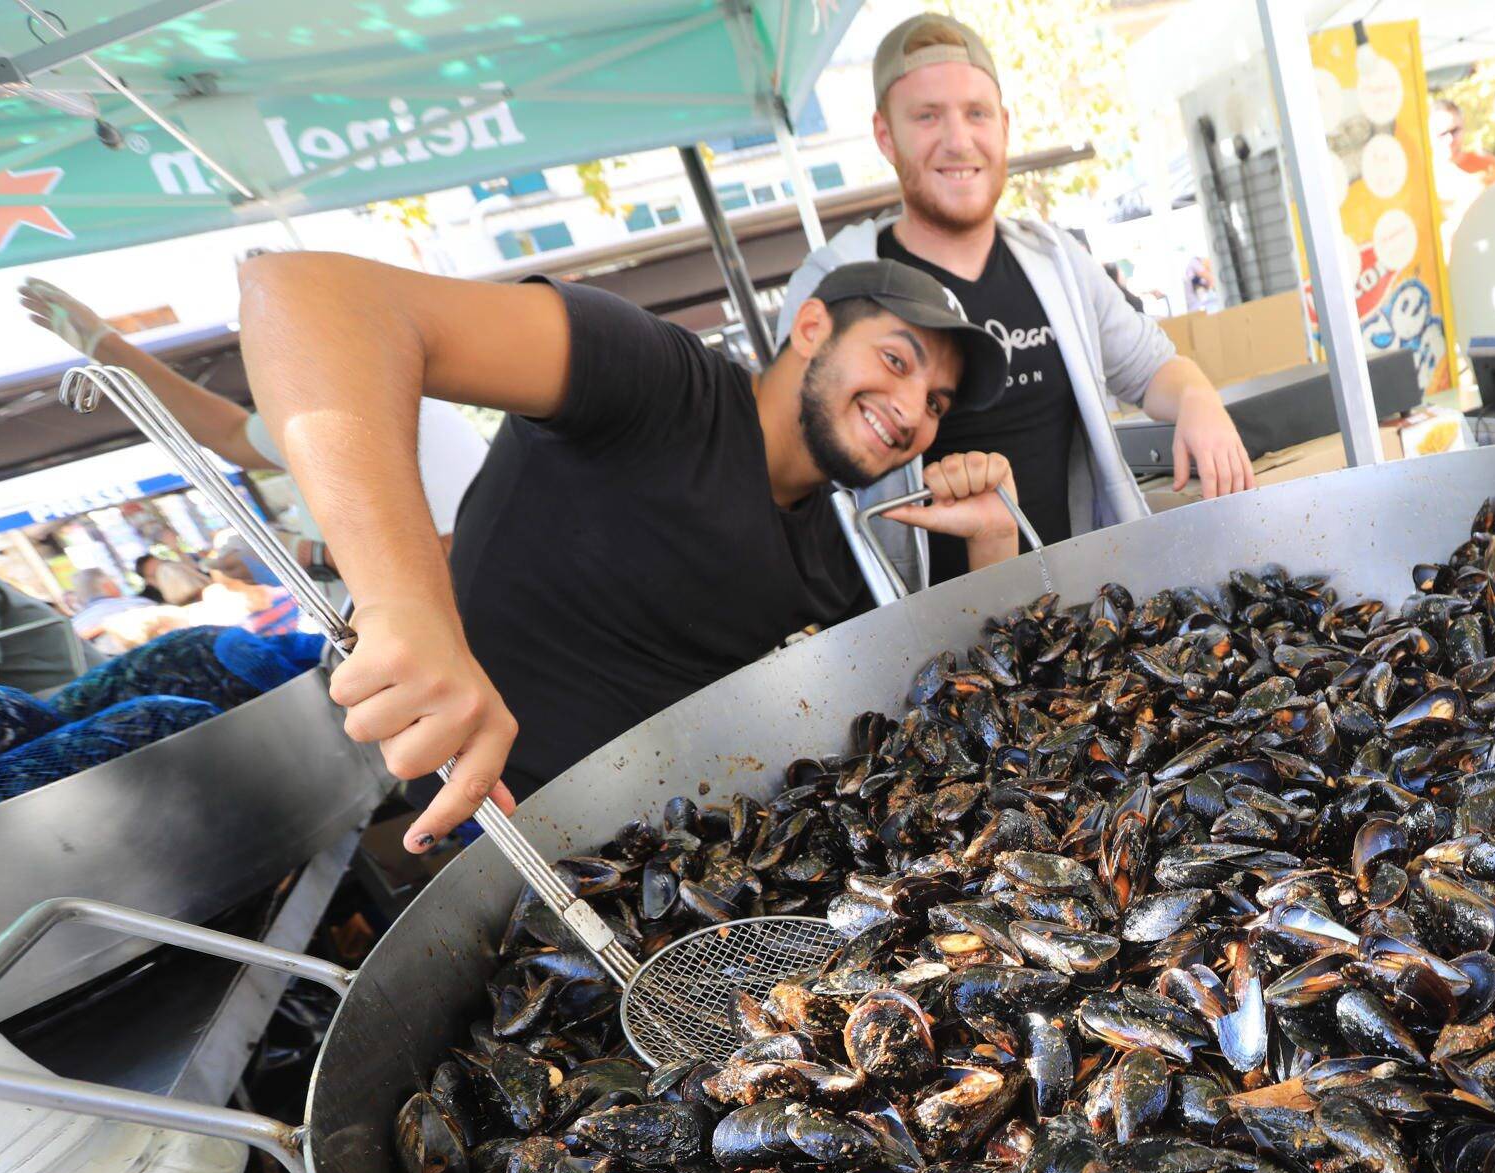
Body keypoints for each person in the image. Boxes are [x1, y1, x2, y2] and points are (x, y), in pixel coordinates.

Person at [237, 250, 1018, 850]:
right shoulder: (662, 382)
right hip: (498, 833)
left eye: (938, 403)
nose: (914, 410)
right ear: (811, 328)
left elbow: (942, 730)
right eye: (896, 359)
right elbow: (308, 295)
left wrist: (995, 540)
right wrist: (405, 606)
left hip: (673, 853)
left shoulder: (842, 546)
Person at [777, 15, 1253, 592]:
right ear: (885, 136)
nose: (958, 140)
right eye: (927, 116)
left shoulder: (1057, 262)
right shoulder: (839, 282)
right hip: (908, 639)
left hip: (1074, 615)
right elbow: (792, 461)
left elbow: (1153, 368)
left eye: (976, 113)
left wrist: (1199, 398)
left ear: (1003, 125)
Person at [18, 277, 489, 572]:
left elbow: (464, 550)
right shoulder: (318, 406)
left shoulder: (397, 403)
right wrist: (107, 346)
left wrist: (307, 556)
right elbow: (232, 435)